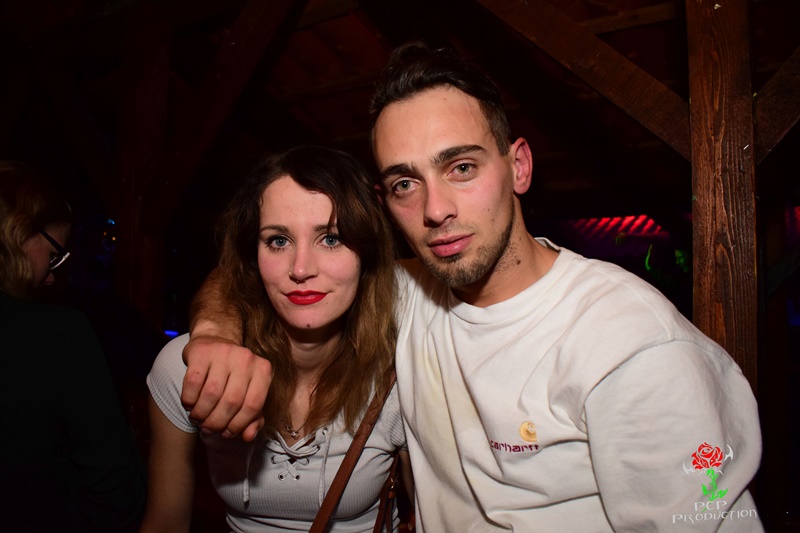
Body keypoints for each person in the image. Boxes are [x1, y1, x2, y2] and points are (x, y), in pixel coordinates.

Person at [180, 43, 762, 531]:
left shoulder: (632, 346)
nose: (436, 209)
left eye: (461, 167)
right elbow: (254, 275)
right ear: (385, 204)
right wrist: (213, 337)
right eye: (406, 183)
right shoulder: (407, 294)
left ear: (518, 166)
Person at [141, 146, 409, 532]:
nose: (301, 269)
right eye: (278, 241)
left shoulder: (403, 372)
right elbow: (166, 522)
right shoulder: (188, 369)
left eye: (331, 238)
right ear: (254, 255)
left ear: (365, 252)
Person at [0, 161, 146, 531]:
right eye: (54, 256)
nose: (52, 277)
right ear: (20, 230)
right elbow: (114, 485)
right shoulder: (57, 332)